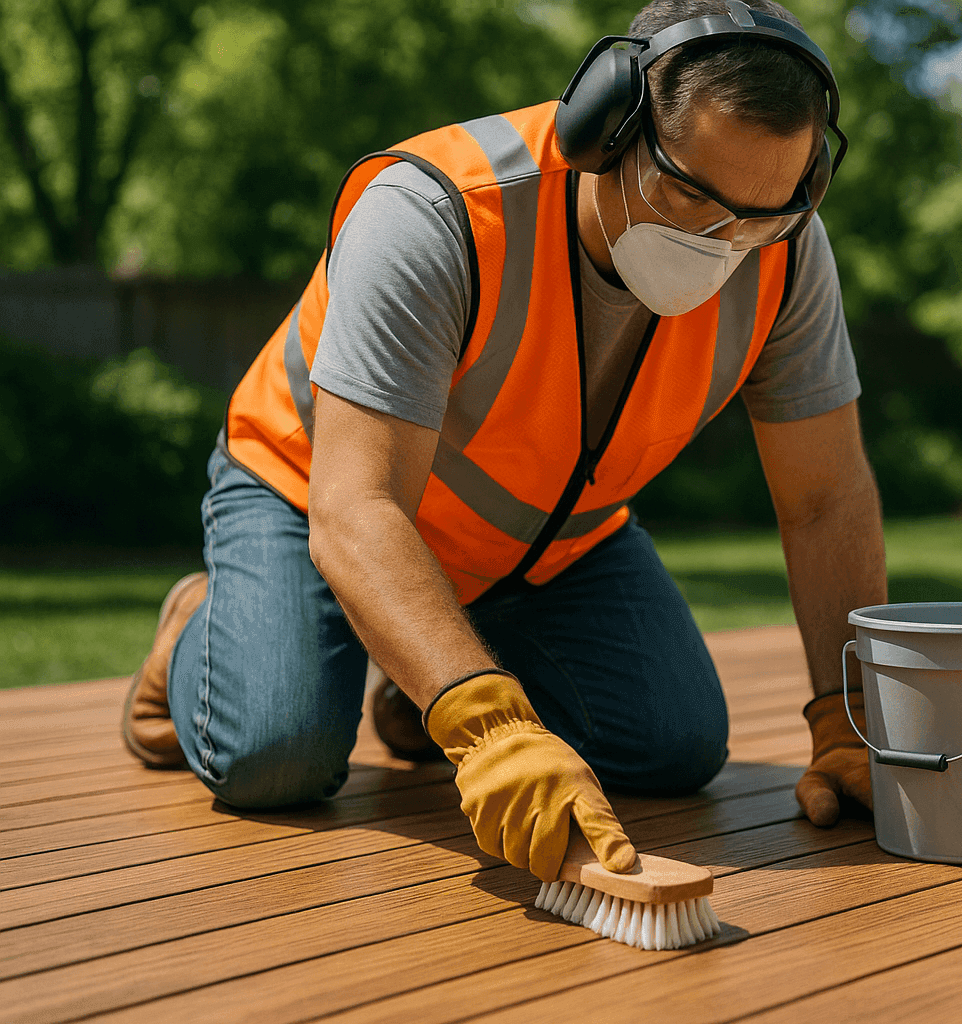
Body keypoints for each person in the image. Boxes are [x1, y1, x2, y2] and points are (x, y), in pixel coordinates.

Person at [121, 0, 885, 884]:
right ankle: (197, 632)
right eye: (690, 194)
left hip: (548, 542)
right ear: (610, 125)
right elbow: (355, 505)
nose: (726, 243)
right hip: (309, 497)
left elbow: (826, 496)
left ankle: (421, 681)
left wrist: (851, 716)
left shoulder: (785, 250)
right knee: (277, 755)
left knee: (671, 745)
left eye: (762, 215)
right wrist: (487, 725)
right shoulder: (434, 212)